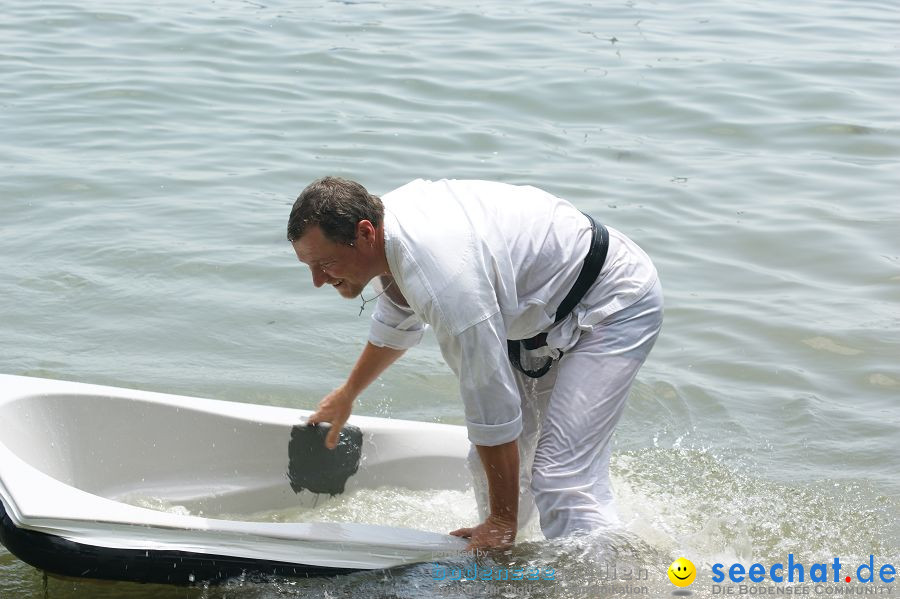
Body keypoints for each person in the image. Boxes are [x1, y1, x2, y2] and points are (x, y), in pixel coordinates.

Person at [287, 177, 662, 550]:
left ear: (365, 233)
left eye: (326, 263)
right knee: (486, 464)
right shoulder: (388, 234)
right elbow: (396, 319)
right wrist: (348, 394)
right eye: (310, 266)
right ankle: (510, 559)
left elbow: (491, 406)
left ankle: (613, 579)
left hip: (611, 302)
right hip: (543, 315)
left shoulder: (445, 280)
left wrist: (501, 521)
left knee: (559, 475)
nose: (318, 280)